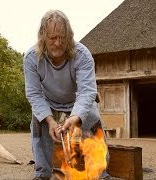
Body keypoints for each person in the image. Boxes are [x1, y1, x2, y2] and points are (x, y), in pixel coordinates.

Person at [23, 10, 110, 180]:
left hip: (77, 99)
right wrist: (49, 121)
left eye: (62, 37)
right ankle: (42, 173)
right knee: (38, 123)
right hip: (49, 100)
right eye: (52, 38)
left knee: (92, 120)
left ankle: (101, 173)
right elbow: (34, 94)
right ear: (43, 37)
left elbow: (87, 92)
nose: (58, 43)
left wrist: (76, 116)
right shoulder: (31, 58)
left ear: (69, 35)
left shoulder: (83, 55)